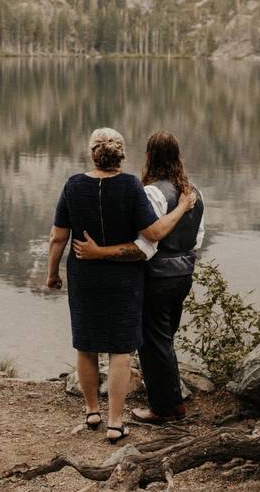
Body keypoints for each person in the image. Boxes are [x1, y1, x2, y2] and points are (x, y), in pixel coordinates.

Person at [46, 128, 196, 443]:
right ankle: (115, 423)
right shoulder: (130, 186)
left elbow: (58, 236)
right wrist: (182, 207)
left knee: (86, 344)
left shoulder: (73, 186)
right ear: (122, 155)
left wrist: (52, 274)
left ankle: (91, 412)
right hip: (123, 278)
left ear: (92, 153)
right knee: (120, 348)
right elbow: (153, 234)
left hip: (84, 274)